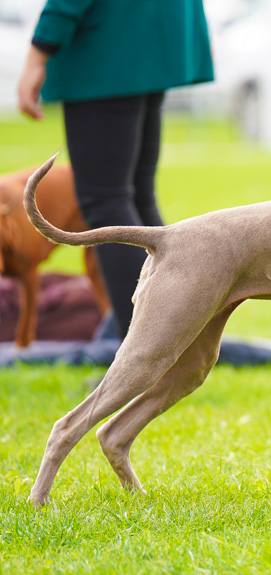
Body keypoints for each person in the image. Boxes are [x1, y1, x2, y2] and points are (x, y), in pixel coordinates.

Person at [17, 0, 213, 339]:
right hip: (153, 34)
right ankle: (179, 340)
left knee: (106, 201)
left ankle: (147, 352)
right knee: (134, 197)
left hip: (106, 47)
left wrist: (39, 51)